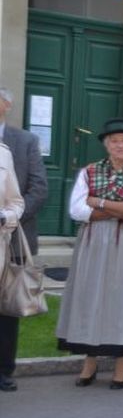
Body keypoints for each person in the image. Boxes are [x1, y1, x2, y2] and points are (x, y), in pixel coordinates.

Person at [56, 119, 123, 389]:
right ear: (106, 145)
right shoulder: (89, 171)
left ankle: (122, 366)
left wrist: (97, 202)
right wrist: (116, 208)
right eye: (115, 141)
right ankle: (90, 363)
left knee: (122, 299)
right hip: (91, 245)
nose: (120, 145)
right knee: (89, 297)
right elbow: (77, 211)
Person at [0, 86, 47, 392]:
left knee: (7, 309)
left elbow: (38, 189)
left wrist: (10, 221)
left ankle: (4, 370)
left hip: (14, 239)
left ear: (6, 105)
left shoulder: (25, 141)